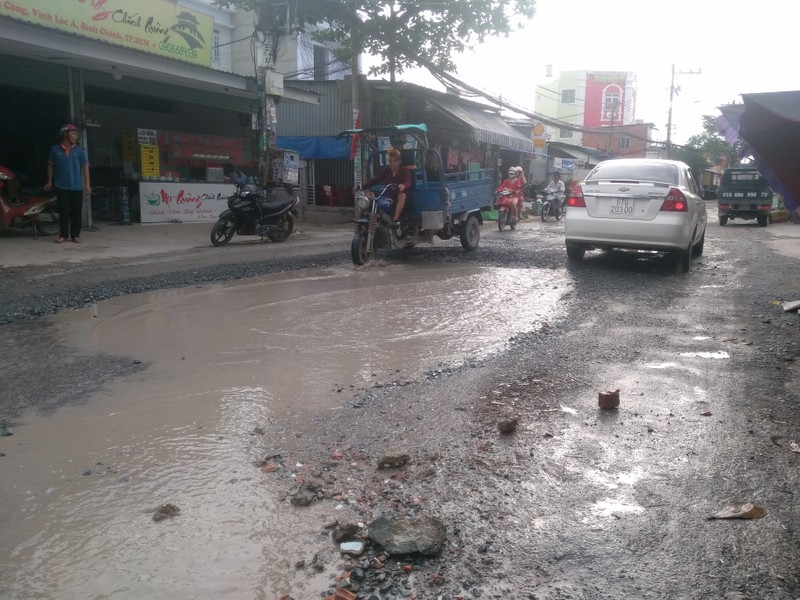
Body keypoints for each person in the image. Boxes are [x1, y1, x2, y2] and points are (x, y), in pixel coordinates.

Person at [45, 124, 91, 244]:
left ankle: (75, 235)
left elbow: (85, 168)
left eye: (76, 134)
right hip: (61, 186)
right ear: (65, 134)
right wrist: (50, 180)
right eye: (73, 133)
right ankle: (63, 235)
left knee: (76, 211)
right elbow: (50, 165)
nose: (76, 136)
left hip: (76, 186)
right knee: (63, 211)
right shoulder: (55, 149)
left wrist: (87, 184)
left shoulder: (80, 151)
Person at [363, 147, 412, 225]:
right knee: (370, 196)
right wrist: (362, 187)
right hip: (389, 196)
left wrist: (403, 186)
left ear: (399, 162)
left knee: (402, 195)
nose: (392, 163)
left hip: (400, 197)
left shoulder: (405, 171)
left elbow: (408, 182)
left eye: (394, 161)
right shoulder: (386, 171)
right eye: (390, 161)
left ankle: (395, 219)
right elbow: (375, 180)